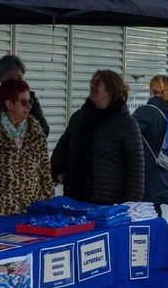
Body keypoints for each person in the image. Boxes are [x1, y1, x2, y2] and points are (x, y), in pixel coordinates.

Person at [51, 69, 145, 205]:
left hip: (108, 204)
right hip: (74, 199)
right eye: (92, 83)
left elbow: (135, 170)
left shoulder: (126, 123)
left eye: (98, 83)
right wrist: (58, 167)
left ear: (112, 89)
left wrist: (128, 207)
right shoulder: (79, 117)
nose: (92, 86)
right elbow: (63, 145)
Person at [0, 78, 54, 219]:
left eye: (30, 101)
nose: (29, 107)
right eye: (23, 102)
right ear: (9, 104)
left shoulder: (37, 131)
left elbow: (45, 172)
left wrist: (50, 205)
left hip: (31, 208)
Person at [135, 75, 168, 220]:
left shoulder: (146, 111)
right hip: (164, 170)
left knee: (145, 216)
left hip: (148, 175)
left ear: (150, 89)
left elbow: (130, 137)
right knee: (156, 213)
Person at [0, 54, 50, 135]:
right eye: (10, 79)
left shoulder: (30, 98)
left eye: (19, 78)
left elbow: (44, 129)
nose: (16, 82)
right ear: (0, 77)